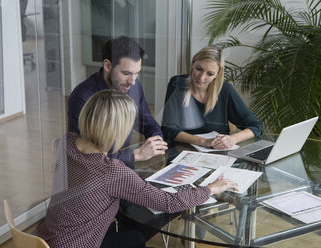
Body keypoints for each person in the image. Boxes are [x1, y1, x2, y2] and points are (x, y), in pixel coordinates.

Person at [34, 89, 238, 248]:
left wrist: (136, 157)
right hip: (77, 244)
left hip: (43, 239)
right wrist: (211, 188)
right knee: (136, 237)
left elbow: (86, 165)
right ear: (118, 130)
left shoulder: (65, 143)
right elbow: (168, 203)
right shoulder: (112, 172)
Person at [68, 36, 167, 169]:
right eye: (126, 73)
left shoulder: (132, 85)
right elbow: (81, 156)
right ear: (107, 65)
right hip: (95, 175)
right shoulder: (82, 98)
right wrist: (135, 155)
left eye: (136, 73)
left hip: (123, 168)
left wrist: (156, 142)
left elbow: (147, 122)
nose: (132, 81)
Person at [161, 46, 263, 149]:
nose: (201, 77)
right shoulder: (177, 84)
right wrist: (203, 141)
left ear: (217, 75)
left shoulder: (225, 90)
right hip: (181, 153)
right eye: (198, 69)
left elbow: (256, 126)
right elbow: (168, 129)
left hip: (217, 155)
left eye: (209, 74)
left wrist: (232, 139)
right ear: (193, 63)